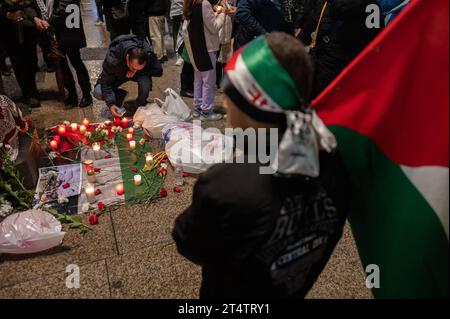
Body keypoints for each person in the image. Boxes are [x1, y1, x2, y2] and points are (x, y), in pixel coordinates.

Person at [173, 32, 350, 299]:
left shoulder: (225, 185)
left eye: (229, 93)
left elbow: (189, 242)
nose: (223, 101)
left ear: (252, 105)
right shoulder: (333, 157)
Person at [298, 0, 381, 97]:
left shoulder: (335, 5)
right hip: (358, 67)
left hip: (329, 65)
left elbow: (316, 28)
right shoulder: (375, 7)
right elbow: (378, 36)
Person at [27, 0, 93, 108]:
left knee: (76, 62)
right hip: (52, 32)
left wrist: (48, 22)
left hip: (69, 28)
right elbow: (30, 5)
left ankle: (86, 94)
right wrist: (35, 18)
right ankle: (72, 95)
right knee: (61, 66)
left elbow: (65, 6)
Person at [183, 0, 231, 121]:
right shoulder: (204, 3)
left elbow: (203, 22)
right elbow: (214, 27)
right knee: (209, 81)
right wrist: (222, 13)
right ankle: (206, 111)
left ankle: (197, 108)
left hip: (197, 45)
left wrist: (214, 11)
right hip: (207, 47)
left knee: (198, 79)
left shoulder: (192, 2)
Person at [94, 34, 163, 117]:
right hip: (118, 73)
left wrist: (135, 71)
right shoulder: (112, 59)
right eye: (133, 67)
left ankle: (141, 103)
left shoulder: (146, 51)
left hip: (137, 72)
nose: (135, 70)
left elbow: (158, 70)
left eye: (139, 68)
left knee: (145, 82)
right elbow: (106, 83)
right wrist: (111, 104)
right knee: (98, 92)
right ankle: (120, 95)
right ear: (127, 58)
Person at [0, 0, 40, 108]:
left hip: (27, 31)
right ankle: (27, 93)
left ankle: (33, 90)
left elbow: (33, 5)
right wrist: (6, 15)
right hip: (9, 34)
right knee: (18, 64)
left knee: (31, 61)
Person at [170, 0, 184, 65]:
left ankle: (180, 56)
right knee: (178, 34)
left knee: (181, 34)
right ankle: (179, 55)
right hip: (176, 11)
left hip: (181, 10)